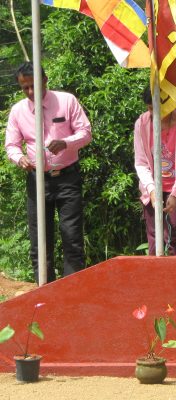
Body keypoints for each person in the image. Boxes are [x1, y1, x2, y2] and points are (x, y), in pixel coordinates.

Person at [5, 62, 92, 283]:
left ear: (44, 80)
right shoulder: (18, 111)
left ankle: (72, 290)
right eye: (25, 88)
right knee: (39, 240)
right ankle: (45, 291)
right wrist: (19, 158)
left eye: (33, 85)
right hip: (37, 180)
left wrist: (66, 142)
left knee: (72, 237)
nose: (30, 91)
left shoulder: (66, 101)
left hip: (67, 177)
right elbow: (11, 145)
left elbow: (85, 133)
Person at [134, 87, 176, 255]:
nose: (154, 113)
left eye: (158, 109)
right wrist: (152, 191)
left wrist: (175, 194)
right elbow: (141, 162)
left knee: (175, 238)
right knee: (154, 238)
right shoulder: (141, 124)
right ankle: (154, 273)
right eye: (150, 108)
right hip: (152, 187)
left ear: (170, 104)